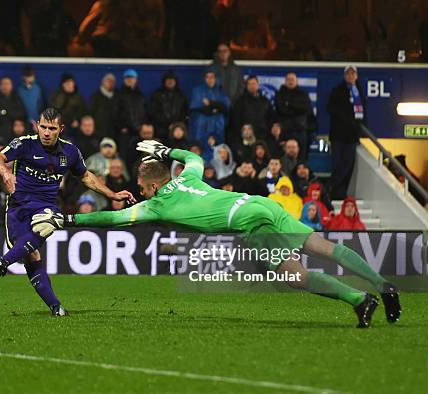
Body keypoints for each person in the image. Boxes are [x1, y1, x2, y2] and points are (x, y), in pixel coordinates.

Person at [32, 141, 401, 328]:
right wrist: (165, 149)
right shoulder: (186, 176)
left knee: (295, 276)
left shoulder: (157, 203)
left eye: (142, 186)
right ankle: (383, 287)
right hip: (260, 204)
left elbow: (114, 222)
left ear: (152, 184)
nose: (140, 192)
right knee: (323, 246)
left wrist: (69, 221)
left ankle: (359, 300)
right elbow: (195, 159)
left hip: (249, 224)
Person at [0, 108, 135, 316]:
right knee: (31, 255)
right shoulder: (25, 143)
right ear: (37, 125)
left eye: (52, 128)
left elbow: (85, 177)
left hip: (45, 206)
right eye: (43, 127)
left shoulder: (70, 152)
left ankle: (4, 262)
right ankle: (55, 306)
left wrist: (112, 195)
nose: (46, 132)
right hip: (18, 207)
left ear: (61, 129)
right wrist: (5, 173)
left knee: (49, 221)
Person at [328, 66, 367, 200]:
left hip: (352, 137)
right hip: (339, 136)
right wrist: (347, 120)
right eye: (348, 74)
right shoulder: (338, 91)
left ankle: (341, 191)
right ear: (345, 76)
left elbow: (363, 112)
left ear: (356, 76)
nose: (350, 76)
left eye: (353, 74)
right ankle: (333, 191)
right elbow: (331, 108)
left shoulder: (359, 91)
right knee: (338, 164)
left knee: (348, 165)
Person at [189, 68, 230, 154]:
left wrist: (211, 103)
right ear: (204, 79)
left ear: (216, 78)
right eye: (207, 77)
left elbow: (226, 106)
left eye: (212, 77)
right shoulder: (198, 90)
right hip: (201, 127)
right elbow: (195, 106)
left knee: (217, 150)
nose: (210, 80)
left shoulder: (221, 91)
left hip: (217, 126)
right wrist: (213, 108)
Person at [274, 73, 313, 159]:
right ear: (285, 81)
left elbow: (306, 109)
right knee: (283, 158)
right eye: (288, 80)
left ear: (297, 81)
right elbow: (281, 109)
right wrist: (296, 108)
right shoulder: (280, 94)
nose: (290, 82)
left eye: (292, 80)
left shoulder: (303, 94)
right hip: (284, 132)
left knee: (301, 159)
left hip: (300, 130)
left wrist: (289, 104)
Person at [231, 75, 273, 142]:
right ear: (246, 86)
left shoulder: (265, 101)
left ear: (258, 85)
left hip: (262, 137)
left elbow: (270, 118)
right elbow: (236, 120)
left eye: (253, 83)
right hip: (246, 138)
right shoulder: (240, 101)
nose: (252, 86)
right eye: (249, 84)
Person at [149, 70, 188, 140]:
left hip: (177, 131)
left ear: (175, 81)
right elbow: (154, 113)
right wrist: (167, 125)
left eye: (172, 80)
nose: (170, 82)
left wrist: (176, 126)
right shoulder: (157, 94)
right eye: (168, 80)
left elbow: (184, 113)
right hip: (160, 130)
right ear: (164, 81)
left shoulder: (181, 95)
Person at [0, 76, 26, 141]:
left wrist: (6, 112)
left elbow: (22, 114)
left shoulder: (17, 99)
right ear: (0, 86)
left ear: (11, 86)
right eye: (3, 84)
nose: (5, 86)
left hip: (16, 133)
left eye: (7, 84)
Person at [116, 69, 147, 136]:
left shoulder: (140, 95)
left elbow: (144, 111)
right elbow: (116, 112)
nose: (129, 80)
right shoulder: (119, 94)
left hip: (139, 130)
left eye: (132, 78)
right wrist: (122, 126)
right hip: (125, 131)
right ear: (124, 80)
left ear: (135, 79)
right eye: (127, 78)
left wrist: (143, 125)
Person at [88, 73, 117, 139]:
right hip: (98, 133)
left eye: (112, 82)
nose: (110, 83)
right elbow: (90, 113)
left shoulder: (117, 96)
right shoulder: (95, 96)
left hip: (114, 133)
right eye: (108, 81)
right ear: (103, 82)